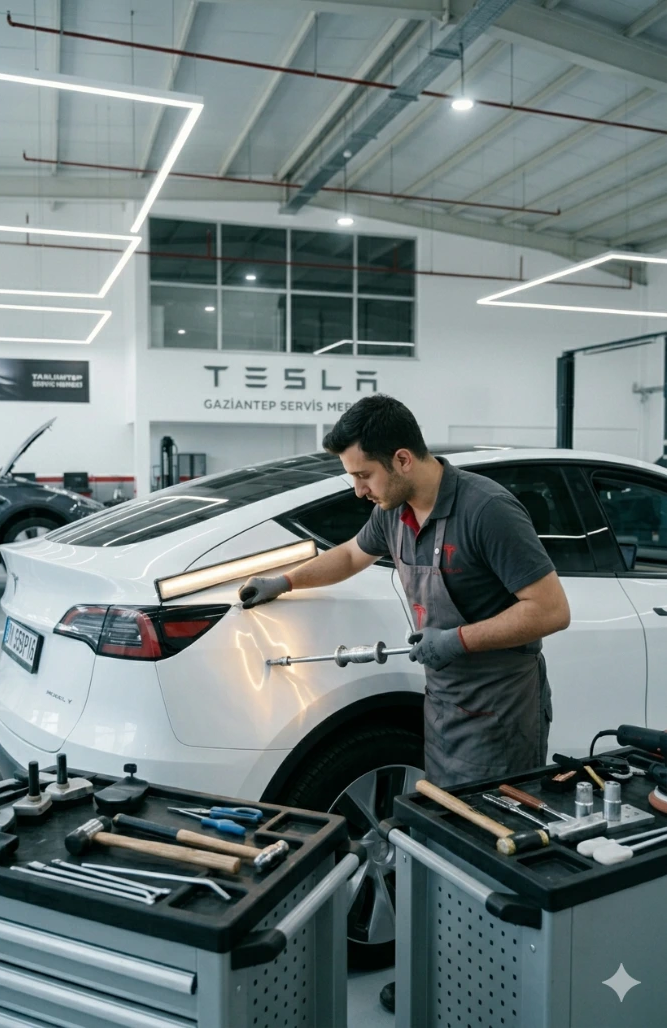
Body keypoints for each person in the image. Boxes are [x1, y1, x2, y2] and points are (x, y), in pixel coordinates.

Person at [239, 394, 570, 1013]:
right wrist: (284, 580)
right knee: (443, 847)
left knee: (487, 854)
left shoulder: (487, 510)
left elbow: (551, 610)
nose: (358, 489)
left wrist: (456, 640)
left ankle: (485, 991)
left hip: (501, 710)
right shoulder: (393, 513)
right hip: (446, 704)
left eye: (363, 475)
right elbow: (348, 555)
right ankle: (441, 975)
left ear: (401, 459)